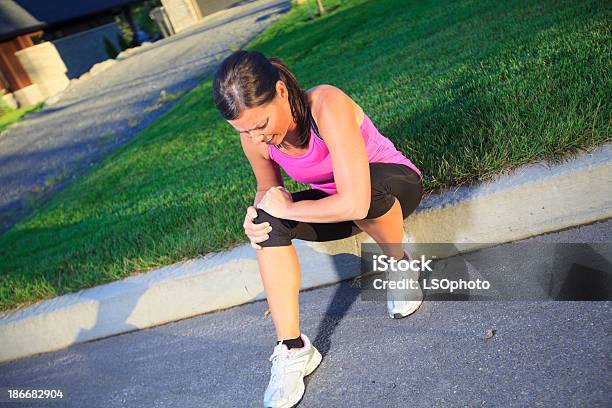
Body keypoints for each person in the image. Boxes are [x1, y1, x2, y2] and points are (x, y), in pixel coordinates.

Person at [212, 50, 424, 408]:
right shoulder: (254, 138)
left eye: (261, 124)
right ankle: (293, 348)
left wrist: (292, 206)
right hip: (336, 204)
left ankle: (400, 263)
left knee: (366, 191)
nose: (257, 137)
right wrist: (256, 215)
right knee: (267, 223)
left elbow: (356, 201)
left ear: (280, 91)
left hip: (390, 187)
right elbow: (268, 191)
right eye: (244, 131)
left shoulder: (326, 104)